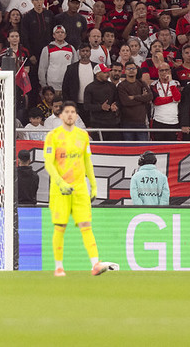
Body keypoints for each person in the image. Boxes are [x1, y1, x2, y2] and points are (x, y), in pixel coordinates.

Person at [43, 101, 118, 277]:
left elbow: (87, 161)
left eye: (73, 112)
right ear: (60, 116)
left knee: (86, 225)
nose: (70, 115)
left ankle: (95, 264)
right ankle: (59, 267)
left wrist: (93, 184)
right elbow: (48, 163)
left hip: (79, 188)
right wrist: (60, 183)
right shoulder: (52, 136)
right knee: (60, 226)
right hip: (59, 189)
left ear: (76, 116)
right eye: (66, 112)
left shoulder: (83, 136)